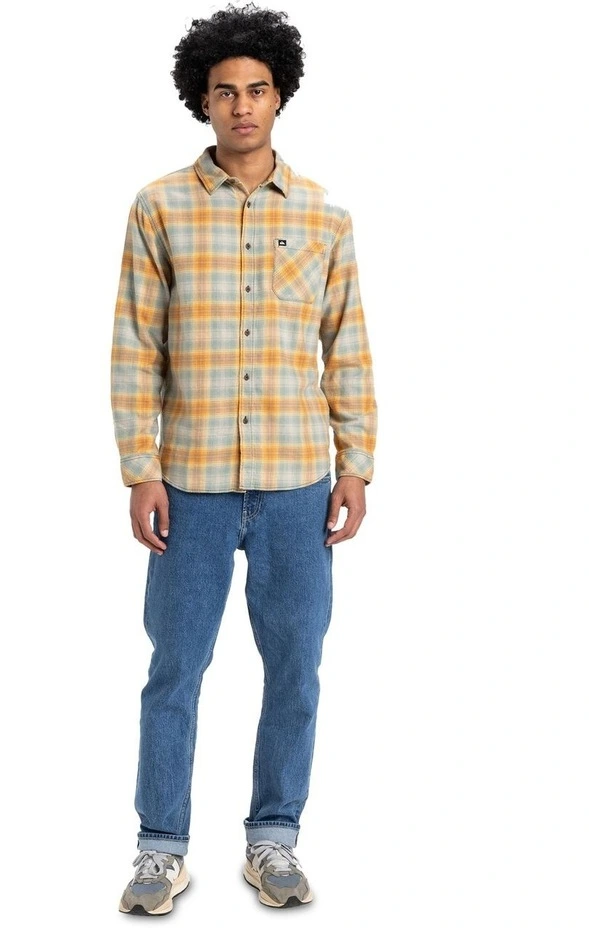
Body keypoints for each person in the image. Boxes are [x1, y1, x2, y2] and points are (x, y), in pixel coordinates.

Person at [110, 2, 377, 914]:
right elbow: (135, 347)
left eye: (257, 90)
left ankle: (275, 838)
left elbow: (347, 347)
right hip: (190, 483)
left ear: (279, 95)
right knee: (175, 669)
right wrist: (140, 467)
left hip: (299, 482)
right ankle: (160, 848)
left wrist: (357, 462)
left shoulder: (325, 215)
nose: (242, 107)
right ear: (202, 99)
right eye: (224, 92)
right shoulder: (159, 207)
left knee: (296, 668)